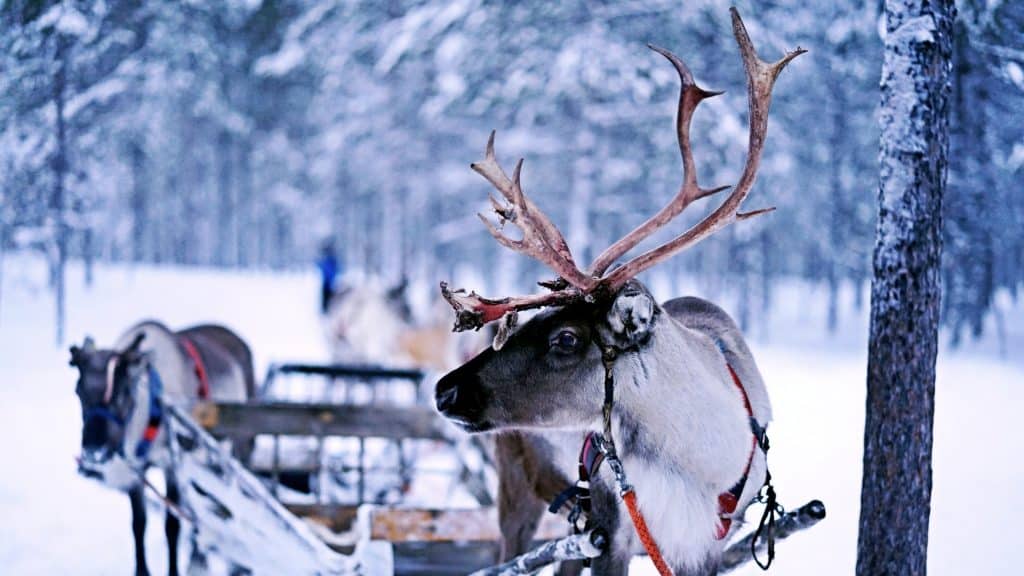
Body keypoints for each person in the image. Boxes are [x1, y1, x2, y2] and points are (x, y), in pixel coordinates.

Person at [316, 240, 341, 314]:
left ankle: (327, 311)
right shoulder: (330, 260)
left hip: (329, 284)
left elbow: (330, 271)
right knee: (328, 300)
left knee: (329, 300)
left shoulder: (330, 260)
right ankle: (327, 311)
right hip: (329, 284)